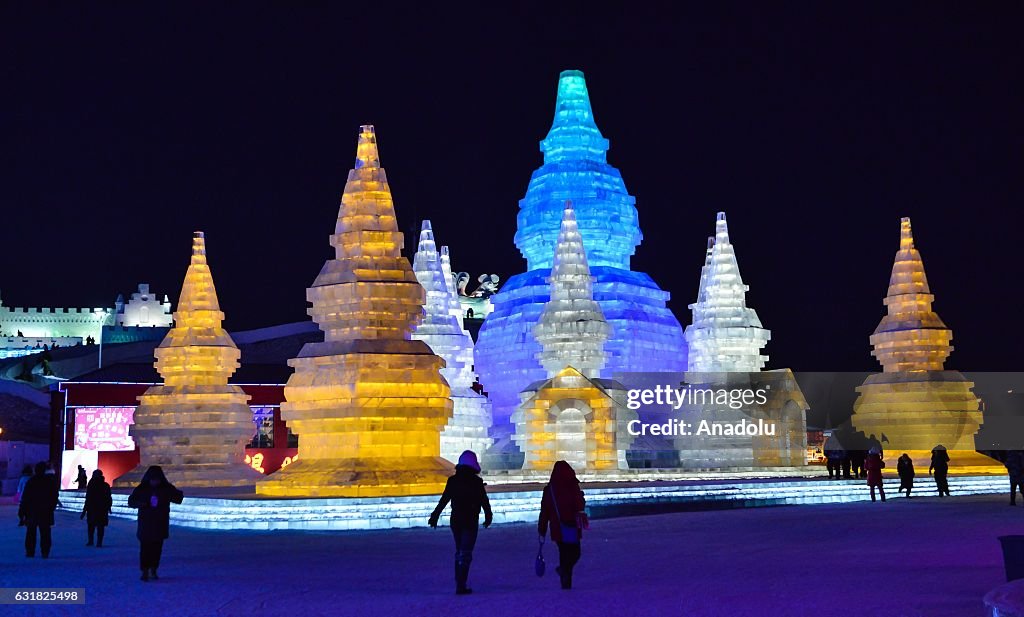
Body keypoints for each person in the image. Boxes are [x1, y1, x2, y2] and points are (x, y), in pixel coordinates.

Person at [428, 450, 492, 595]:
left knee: (460, 550)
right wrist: (488, 515)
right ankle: (461, 583)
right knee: (466, 551)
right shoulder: (476, 482)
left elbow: (444, 500)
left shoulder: (453, 481)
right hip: (470, 521)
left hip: (456, 521)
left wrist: (435, 515)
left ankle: (459, 581)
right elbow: (484, 501)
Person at [127, 466, 184, 581]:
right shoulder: (142, 488)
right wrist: (142, 503)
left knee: (157, 549)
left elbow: (178, 498)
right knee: (145, 548)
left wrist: (173, 491)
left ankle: (153, 569)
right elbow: (131, 501)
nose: (155, 482)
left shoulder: (165, 488)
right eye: (153, 479)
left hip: (159, 523)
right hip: (146, 523)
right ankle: (145, 570)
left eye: (157, 479)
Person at [538, 460, 588, 590]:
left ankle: (565, 582)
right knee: (575, 553)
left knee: (564, 554)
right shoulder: (572, 486)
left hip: (558, 528)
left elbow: (544, 512)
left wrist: (541, 530)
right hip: (571, 526)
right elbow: (579, 505)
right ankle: (564, 572)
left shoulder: (549, 490)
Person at [18, 462, 58, 558]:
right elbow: (54, 496)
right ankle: (45, 551)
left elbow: (25, 498)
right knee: (45, 533)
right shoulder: (49, 482)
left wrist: (22, 512)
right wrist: (51, 507)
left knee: (31, 533)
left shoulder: (31, 482)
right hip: (45, 511)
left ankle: (30, 551)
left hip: (32, 511)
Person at [81, 469, 112, 547]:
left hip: (94, 507)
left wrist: (84, 510)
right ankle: (98, 542)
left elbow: (88, 498)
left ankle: (92, 541)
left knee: (92, 525)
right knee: (99, 526)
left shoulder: (92, 485)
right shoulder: (104, 485)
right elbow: (108, 497)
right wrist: (108, 507)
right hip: (101, 508)